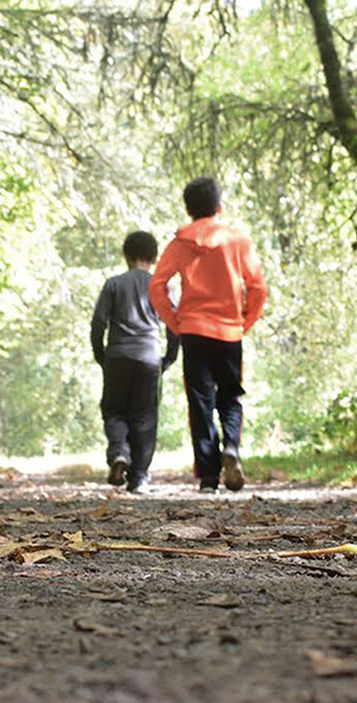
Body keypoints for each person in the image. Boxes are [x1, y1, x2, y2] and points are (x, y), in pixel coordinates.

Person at [149, 176, 267, 492]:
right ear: (219, 205)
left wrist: (175, 323)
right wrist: (245, 321)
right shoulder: (238, 241)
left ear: (189, 210)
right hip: (229, 331)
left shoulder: (179, 243)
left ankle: (209, 476)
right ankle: (231, 446)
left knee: (200, 401)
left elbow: (156, 285)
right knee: (230, 395)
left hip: (193, 331)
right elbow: (257, 286)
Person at [91, 230, 179, 494]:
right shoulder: (161, 287)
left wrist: (101, 354)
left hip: (117, 356)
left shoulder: (113, 284)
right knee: (145, 418)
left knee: (114, 410)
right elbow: (174, 326)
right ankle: (139, 477)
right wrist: (169, 358)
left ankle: (119, 452)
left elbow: (98, 323)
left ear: (126, 255)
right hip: (149, 357)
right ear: (154, 258)